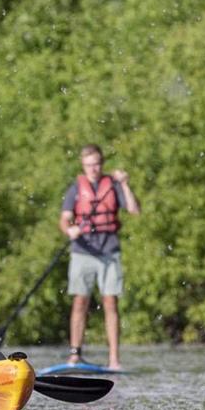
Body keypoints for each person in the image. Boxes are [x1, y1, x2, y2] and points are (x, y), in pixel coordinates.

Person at [59, 144, 141, 370]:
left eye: (96, 164)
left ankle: (114, 360)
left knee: (110, 302)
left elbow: (134, 210)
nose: (93, 169)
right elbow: (64, 219)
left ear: (102, 163)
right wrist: (70, 230)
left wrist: (124, 184)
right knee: (80, 301)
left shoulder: (113, 186)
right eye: (88, 165)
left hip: (109, 251)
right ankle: (75, 355)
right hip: (83, 251)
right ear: (83, 166)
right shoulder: (76, 188)